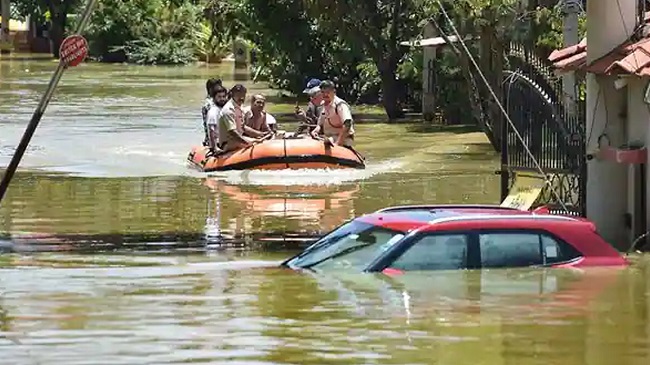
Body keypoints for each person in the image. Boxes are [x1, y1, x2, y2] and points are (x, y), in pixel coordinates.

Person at [310, 80, 355, 147]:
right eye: (323, 92)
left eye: (328, 92)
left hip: (343, 139)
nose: (325, 95)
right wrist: (315, 131)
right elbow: (320, 124)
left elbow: (347, 124)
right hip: (329, 137)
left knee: (327, 142)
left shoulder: (340, 105)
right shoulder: (323, 104)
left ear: (334, 92)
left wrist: (338, 144)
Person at [217, 84, 260, 152]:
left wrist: (260, 134)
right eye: (238, 95)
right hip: (228, 143)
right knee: (256, 145)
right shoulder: (228, 110)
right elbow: (232, 132)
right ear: (232, 94)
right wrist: (246, 142)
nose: (241, 97)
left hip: (237, 139)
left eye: (243, 95)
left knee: (260, 140)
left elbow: (243, 127)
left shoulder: (240, 108)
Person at [205, 83, 229, 151]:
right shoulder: (213, 112)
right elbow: (211, 131)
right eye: (219, 97)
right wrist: (215, 147)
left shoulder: (225, 109)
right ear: (214, 98)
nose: (222, 99)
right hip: (220, 143)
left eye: (224, 96)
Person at [202, 78, 221, 146]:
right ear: (210, 89)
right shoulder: (209, 105)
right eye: (217, 89)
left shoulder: (216, 101)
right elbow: (211, 127)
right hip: (213, 140)